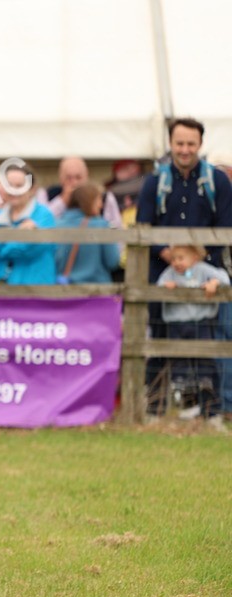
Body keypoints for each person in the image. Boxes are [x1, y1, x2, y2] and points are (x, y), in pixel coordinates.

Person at [135, 118, 232, 417]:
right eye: (179, 143)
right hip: (164, 278)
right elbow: (142, 227)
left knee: (208, 345)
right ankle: (155, 407)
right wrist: (169, 256)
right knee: (161, 340)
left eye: (191, 143)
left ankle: (211, 409)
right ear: (170, 144)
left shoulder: (216, 181)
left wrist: (196, 261)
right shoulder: (155, 182)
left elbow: (226, 227)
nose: (185, 149)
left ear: (200, 145)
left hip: (206, 278)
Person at [156, 243, 229, 429]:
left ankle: (211, 409)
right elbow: (158, 286)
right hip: (177, 325)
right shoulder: (170, 273)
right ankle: (189, 404)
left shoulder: (204, 270)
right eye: (173, 258)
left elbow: (224, 279)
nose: (176, 263)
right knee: (181, 366)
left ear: (195, 257)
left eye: (181, 258)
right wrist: (166, 287)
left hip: (200, 324)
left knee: (206, 366)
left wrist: (214, 283)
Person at [0, 163, 57, 285]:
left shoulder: (44, 215)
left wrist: (1, 242)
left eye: (20, 186)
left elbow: (26, 250)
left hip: (34, 292)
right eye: (9, 185)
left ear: (32, 189)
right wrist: (17, 234)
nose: (14, 191)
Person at [54, 182, 121, 284]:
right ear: (90, 201)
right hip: (96, 292)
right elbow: (113, 262)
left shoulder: (56, 225)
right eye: (98, 200)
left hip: (64, 291)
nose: (101, 205)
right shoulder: (101, 226)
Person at [42, 157, 123, 228]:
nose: (74, 183)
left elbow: (116, 226)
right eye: (68, 178)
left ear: (86, 176)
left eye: (78, 177)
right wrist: (62, 201)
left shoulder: (104, 197)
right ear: (61, 178)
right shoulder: (48, 194)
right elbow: (42, 223)